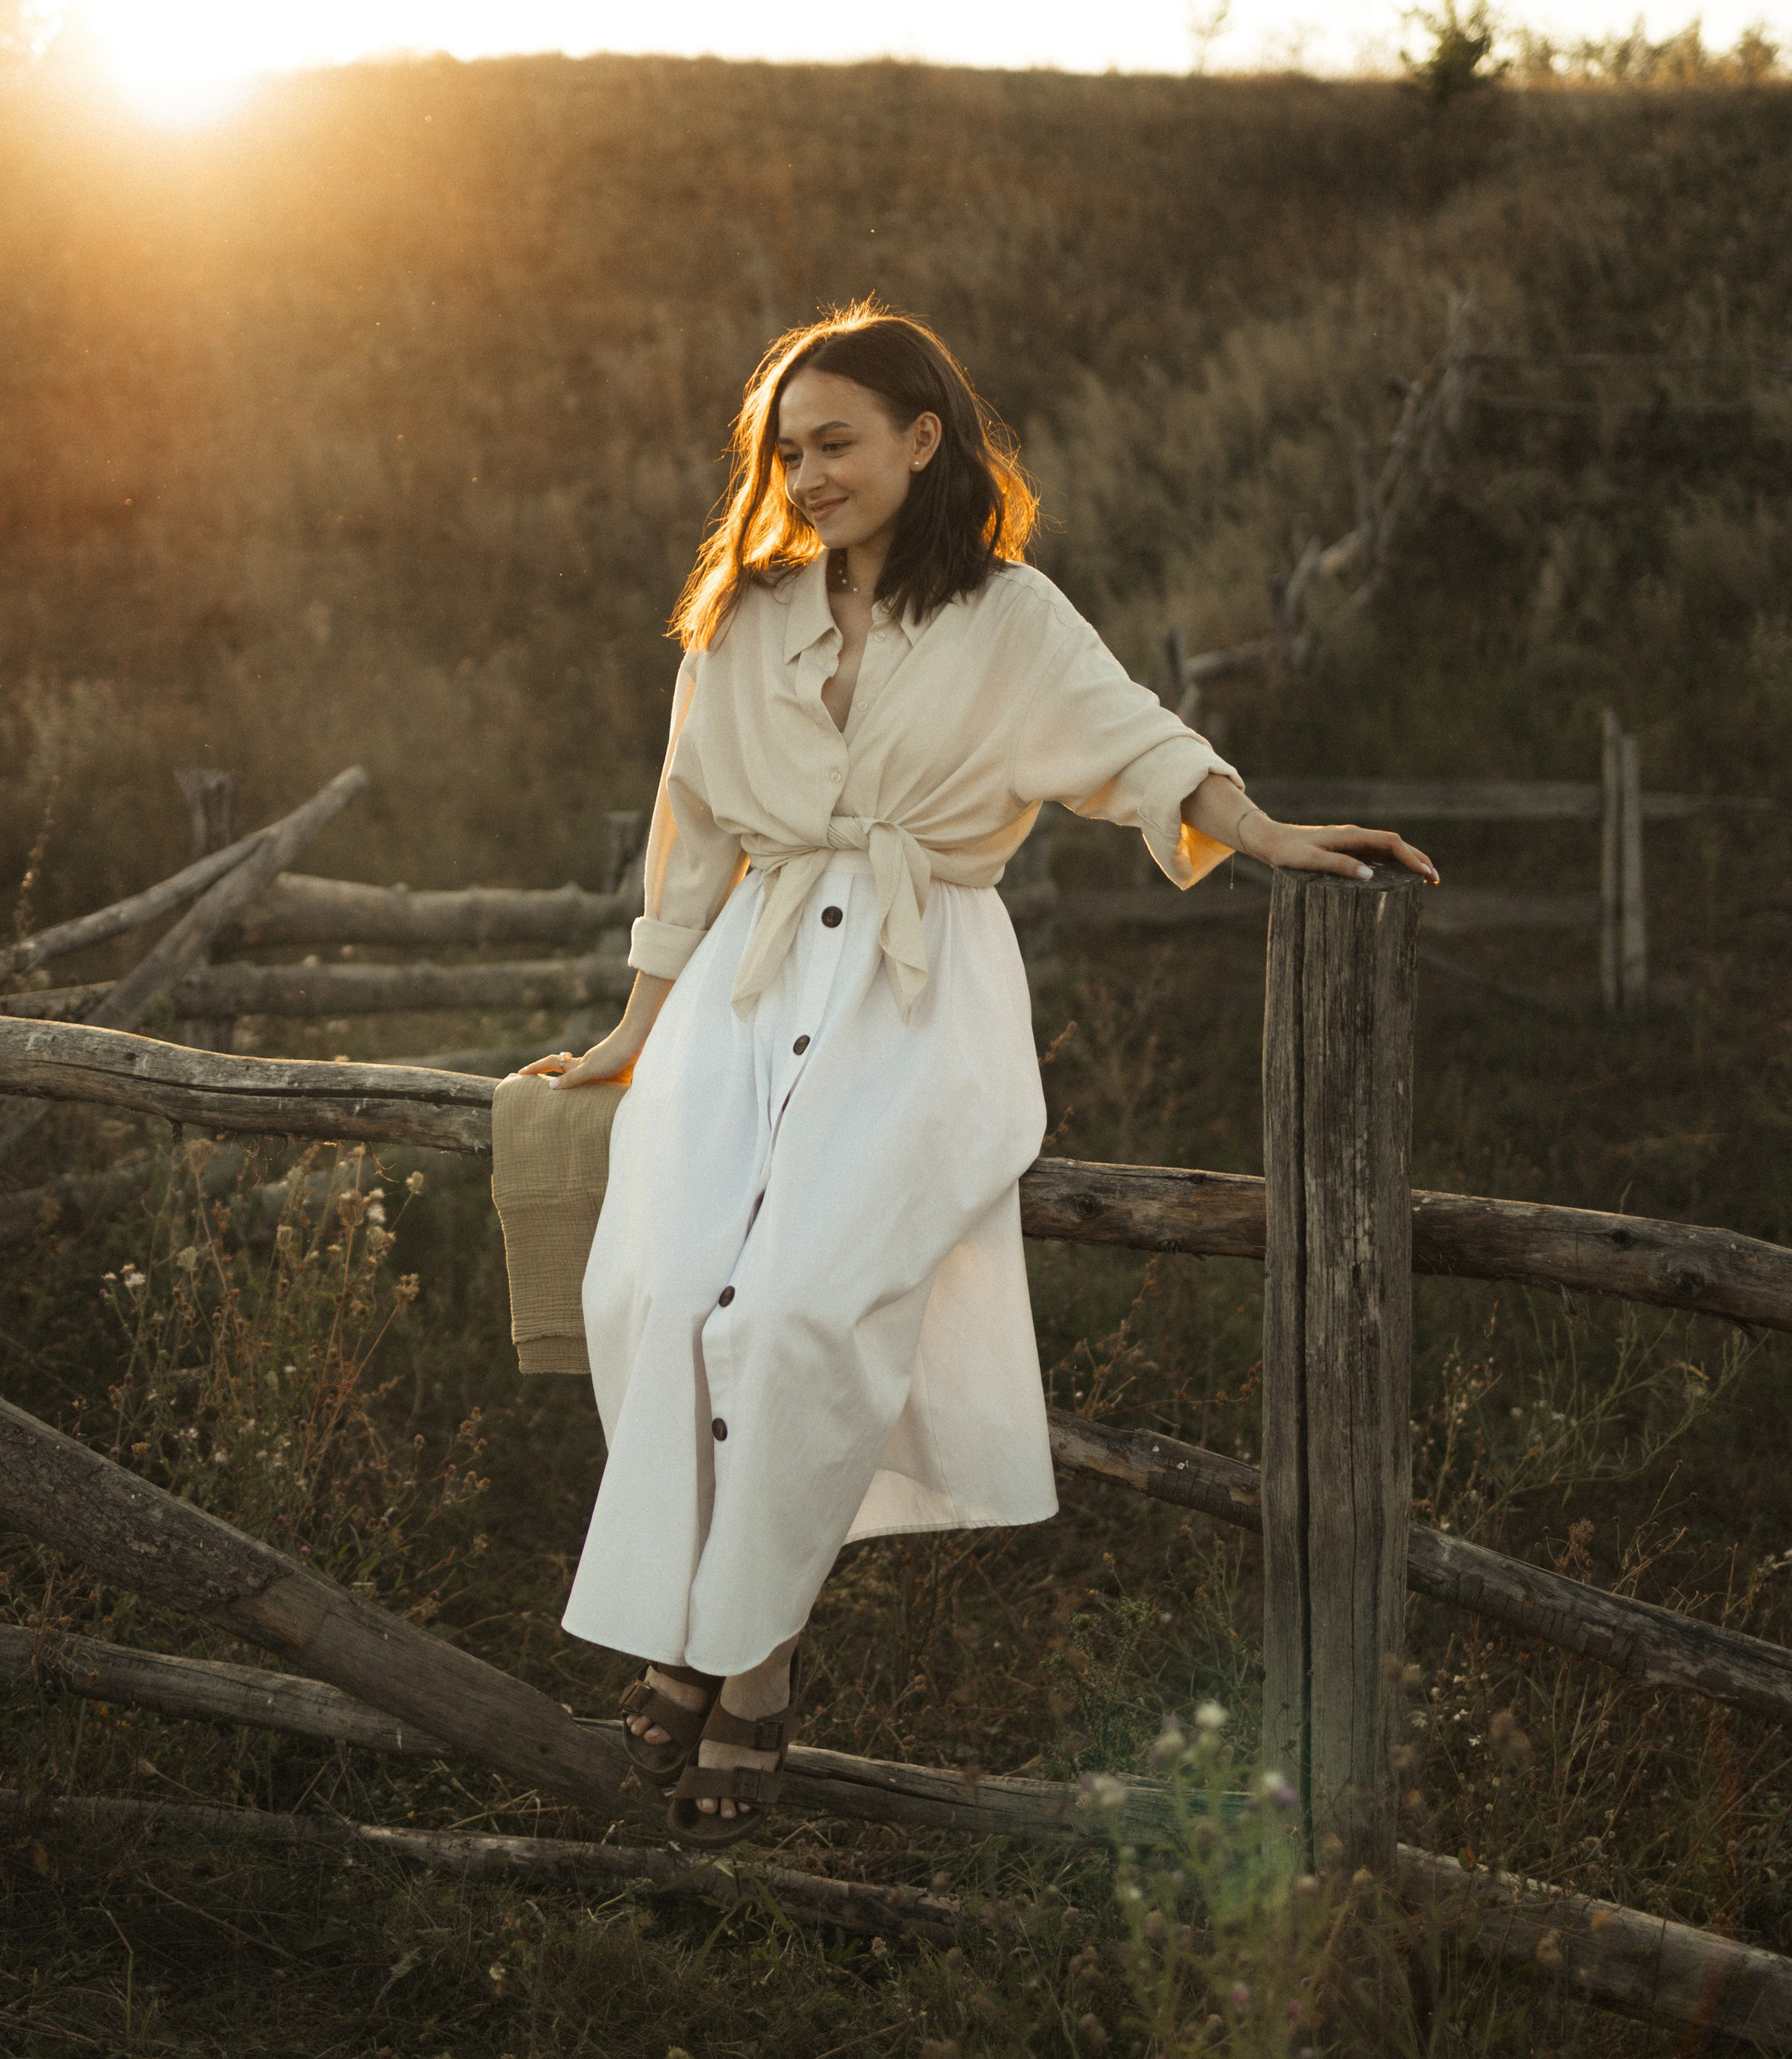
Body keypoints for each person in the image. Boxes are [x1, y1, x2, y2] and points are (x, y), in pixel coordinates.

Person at [522, 305, 1435, 1832]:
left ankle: (744, 1670)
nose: (806, 475)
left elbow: (1135, 743)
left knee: (801, 1315)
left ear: (921, 438)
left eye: (837, 444)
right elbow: (687, 829)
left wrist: (1262, 830)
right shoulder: (742, 614)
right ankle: (698, 1628)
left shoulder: (1010, 615)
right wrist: (635, 1024)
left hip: (913, 986)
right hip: (743, 992)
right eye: (786, 451)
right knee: (654, 1295)